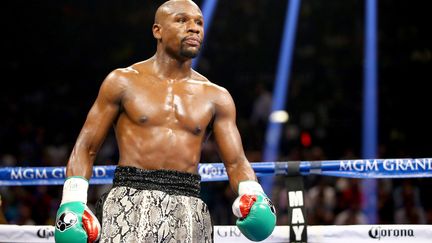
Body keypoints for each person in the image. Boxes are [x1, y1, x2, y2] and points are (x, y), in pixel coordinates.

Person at [54, 0, 276, 242]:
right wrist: (73, 200)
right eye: (182, 20)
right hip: (129, 200)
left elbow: (236, 162)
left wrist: (252, 192)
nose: (194, 28)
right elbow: (86, 147)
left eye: (199, 22)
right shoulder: (122, 82)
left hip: (189, 209)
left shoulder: (217, 97)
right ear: (157, 30)